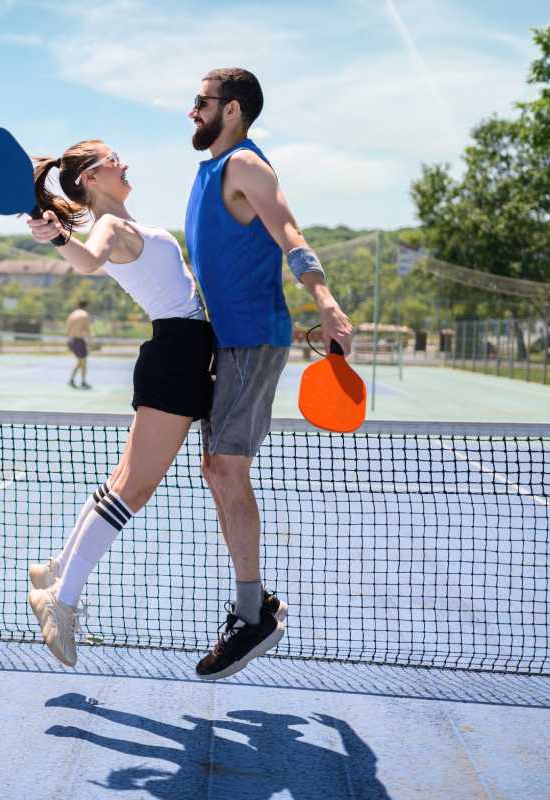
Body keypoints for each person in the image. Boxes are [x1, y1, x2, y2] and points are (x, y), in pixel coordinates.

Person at [185, 68, 354, 680]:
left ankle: (251, 613)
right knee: (215, 470)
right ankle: (256, 603)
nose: (191, 112)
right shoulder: (210, 170)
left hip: (253, 339)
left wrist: (325, 301)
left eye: (200, 102)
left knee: (226, 467)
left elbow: (289, 231)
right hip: (225, 341)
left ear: (230, 110)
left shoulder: (249, 168)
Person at [24, 140, 214, 668]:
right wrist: (59, 236)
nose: (124, 163)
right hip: (177, 355)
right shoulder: (111, 228)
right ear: (89, 178)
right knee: (134, 489)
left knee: (122, 482)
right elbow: (86, 261)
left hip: (180, 353)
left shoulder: (130, 225)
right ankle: (61, 603)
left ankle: (56, 570)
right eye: (112, 160)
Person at [65, 301, 92, 389]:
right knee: (83, 362)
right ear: (86, 307)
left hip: (71, 340)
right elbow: (87, 330)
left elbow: (68, 328)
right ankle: (82, 382)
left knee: (81, 362)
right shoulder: (85, 315)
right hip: (79, 340)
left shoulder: (72, 314)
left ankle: (72, 380)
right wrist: (90, 342)